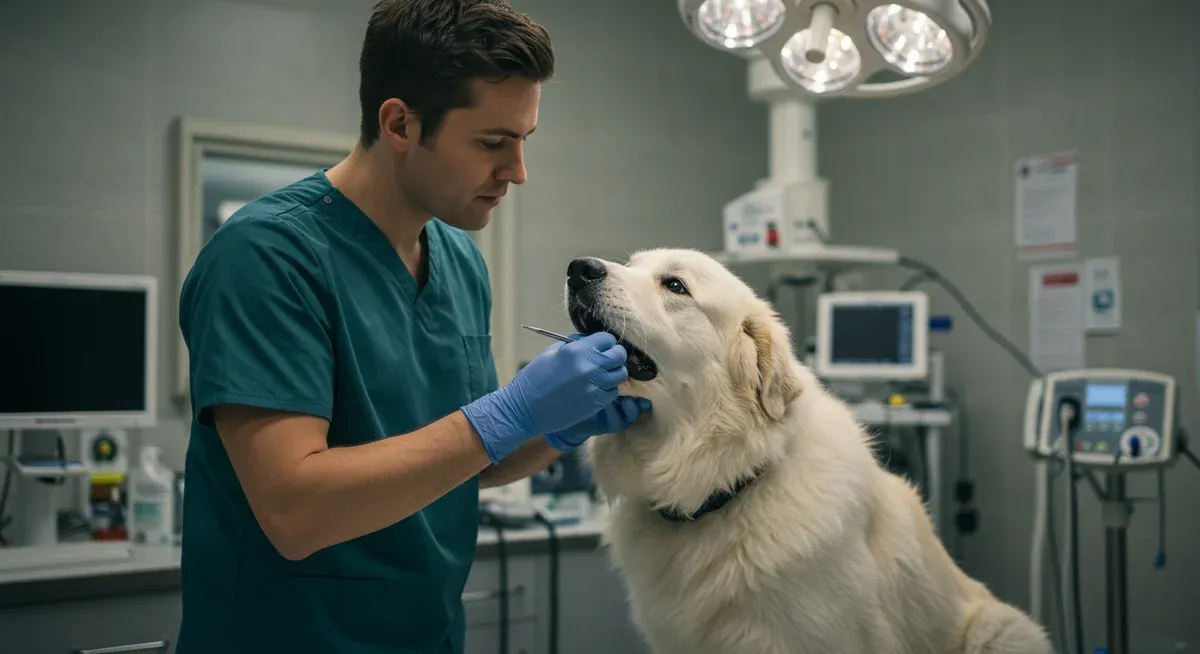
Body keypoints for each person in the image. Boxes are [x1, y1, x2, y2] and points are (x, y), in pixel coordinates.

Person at [174, 1, 650, 651]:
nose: (517, 171)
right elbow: (294, 510)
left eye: (523, 140)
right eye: (492, 142)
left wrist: (556, 426)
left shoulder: (459, 262)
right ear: (400, 123)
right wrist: (507, 412)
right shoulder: (265, 259)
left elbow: (463, 462)